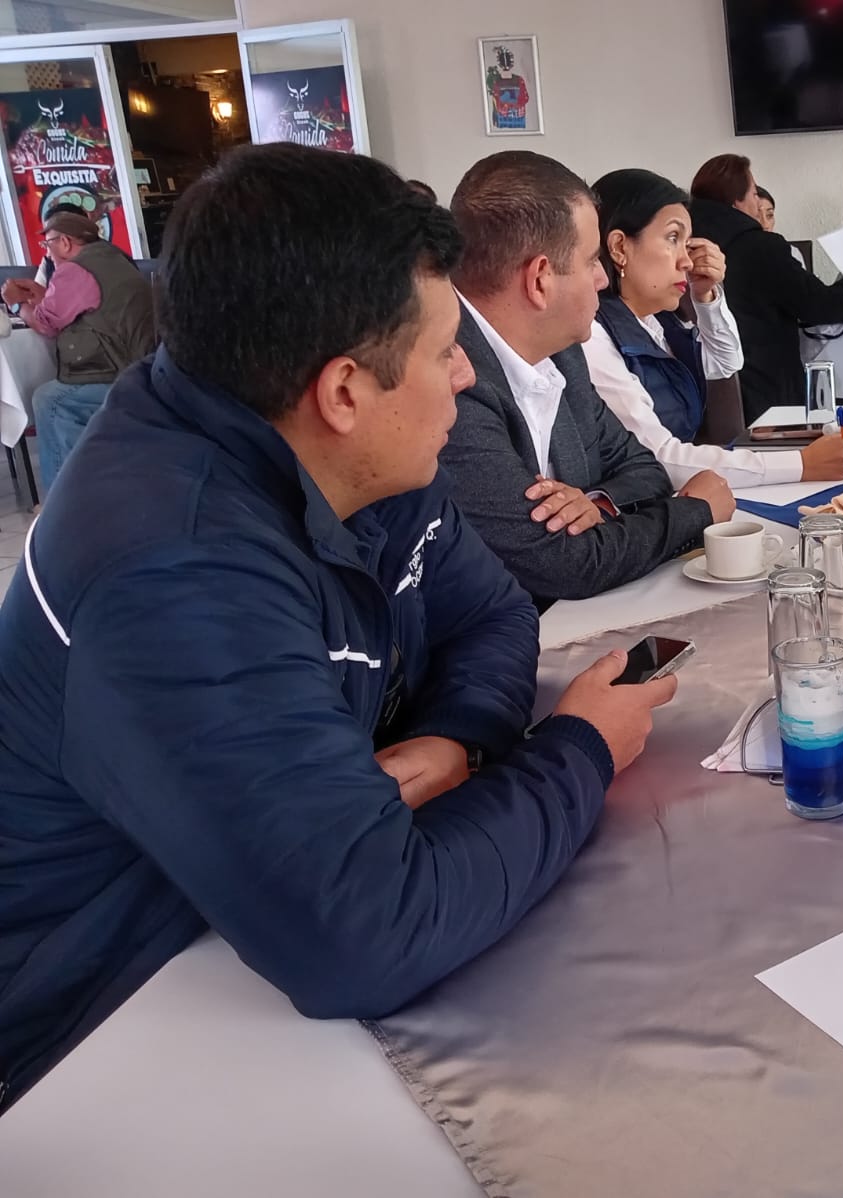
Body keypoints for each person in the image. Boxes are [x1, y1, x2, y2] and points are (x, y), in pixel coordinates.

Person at [0, 143, 679, 1112]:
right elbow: (365, 935)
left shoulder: (344, 448)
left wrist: (456, 740)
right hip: (96, 1041)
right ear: (345, 391)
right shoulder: (172, 566)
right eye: (444, 351)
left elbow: (490, 612)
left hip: (236, 946)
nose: (464, 377)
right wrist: (579, 749)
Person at [441, 151, 732, 609]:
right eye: (591, 260)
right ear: (540, 280)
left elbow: (646, 470)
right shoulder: (451, 379)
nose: (601, 278)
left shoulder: (563, 356)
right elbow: (563, 564)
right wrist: (696, 512)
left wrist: (597, 503)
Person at [582, 169, 843, 490]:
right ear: (619, 247)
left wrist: (705, 297)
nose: (687, 261)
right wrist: (801, 464)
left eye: (688, 243)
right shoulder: (594, 336)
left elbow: (726, 365)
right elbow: (658, 456)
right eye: (672, 238)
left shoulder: (658, 323)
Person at [688, 153, 843, 421]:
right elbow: (821, 305)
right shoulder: (761, 248)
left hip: (700, 395)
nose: (758, 203)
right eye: (754, 194)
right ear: (736, 202)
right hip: (767, 395)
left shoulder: (685, 246)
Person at [0, 209, 154, 490]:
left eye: (48, 244)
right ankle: (94, 480)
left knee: (50, 400)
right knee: (54, 394)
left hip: (121, 374)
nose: (47, 253)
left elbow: (45, 324)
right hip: (147, 364)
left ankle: (64, 496)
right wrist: (44, 296)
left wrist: (15, 304)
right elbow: (84, 305)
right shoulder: (113, 257)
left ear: (65, 242)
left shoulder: (75, 269)